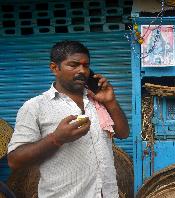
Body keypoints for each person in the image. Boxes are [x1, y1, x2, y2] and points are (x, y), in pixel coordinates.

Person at [7, 40, 130, 198]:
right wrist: (56, 139)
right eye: (73, 65)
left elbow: (123, 133)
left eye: (86, 65)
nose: (82, 71)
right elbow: (15, 161)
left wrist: (111, 102)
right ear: (54, 68)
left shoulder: (97, 101)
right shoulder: (35, 107)